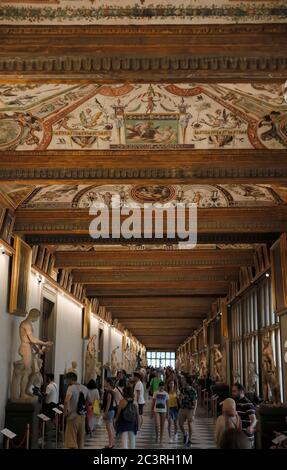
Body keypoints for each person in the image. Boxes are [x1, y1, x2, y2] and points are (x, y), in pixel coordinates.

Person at [64, 372, 89, 449]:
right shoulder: (85, 388)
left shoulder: (70, 388)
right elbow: (88, 401)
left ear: (70, 379)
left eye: (66, 379)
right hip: (82, 416)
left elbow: (66, 400)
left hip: (73, 417)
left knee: (71, 441)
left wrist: (65, 412)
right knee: (80, 440)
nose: (65, 381)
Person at [232, 382, 257, 448]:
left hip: (246, 437)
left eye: (235, 391)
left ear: (241, 391)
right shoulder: (236, 402)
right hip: (240, 436)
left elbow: (254, 419)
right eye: (232, 391)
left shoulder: (247, 403)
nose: (233, 393)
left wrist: (251, 427)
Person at [178, 376, 197, 447]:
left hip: (190, 409)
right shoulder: (182, 389)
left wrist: (194, 411)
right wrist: (180, 400)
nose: (183, 382)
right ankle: (185, 433)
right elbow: (179, 397)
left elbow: (195, 401)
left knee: (190, 424)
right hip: (182, 408)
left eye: (184, 381)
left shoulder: (193, 391)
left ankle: (189, 439)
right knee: (180, 423)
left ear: (187, 382)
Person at [102, 378, 116, 449]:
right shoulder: (111, 391)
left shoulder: (108, 392)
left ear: (108, 383)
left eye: (105, 382)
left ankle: (110, 444)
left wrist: (105, 413)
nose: (104, 383)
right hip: (111, 411)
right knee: (110, 428)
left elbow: (108, 403)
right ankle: (111, 443)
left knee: (109, 428)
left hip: (109, 411)